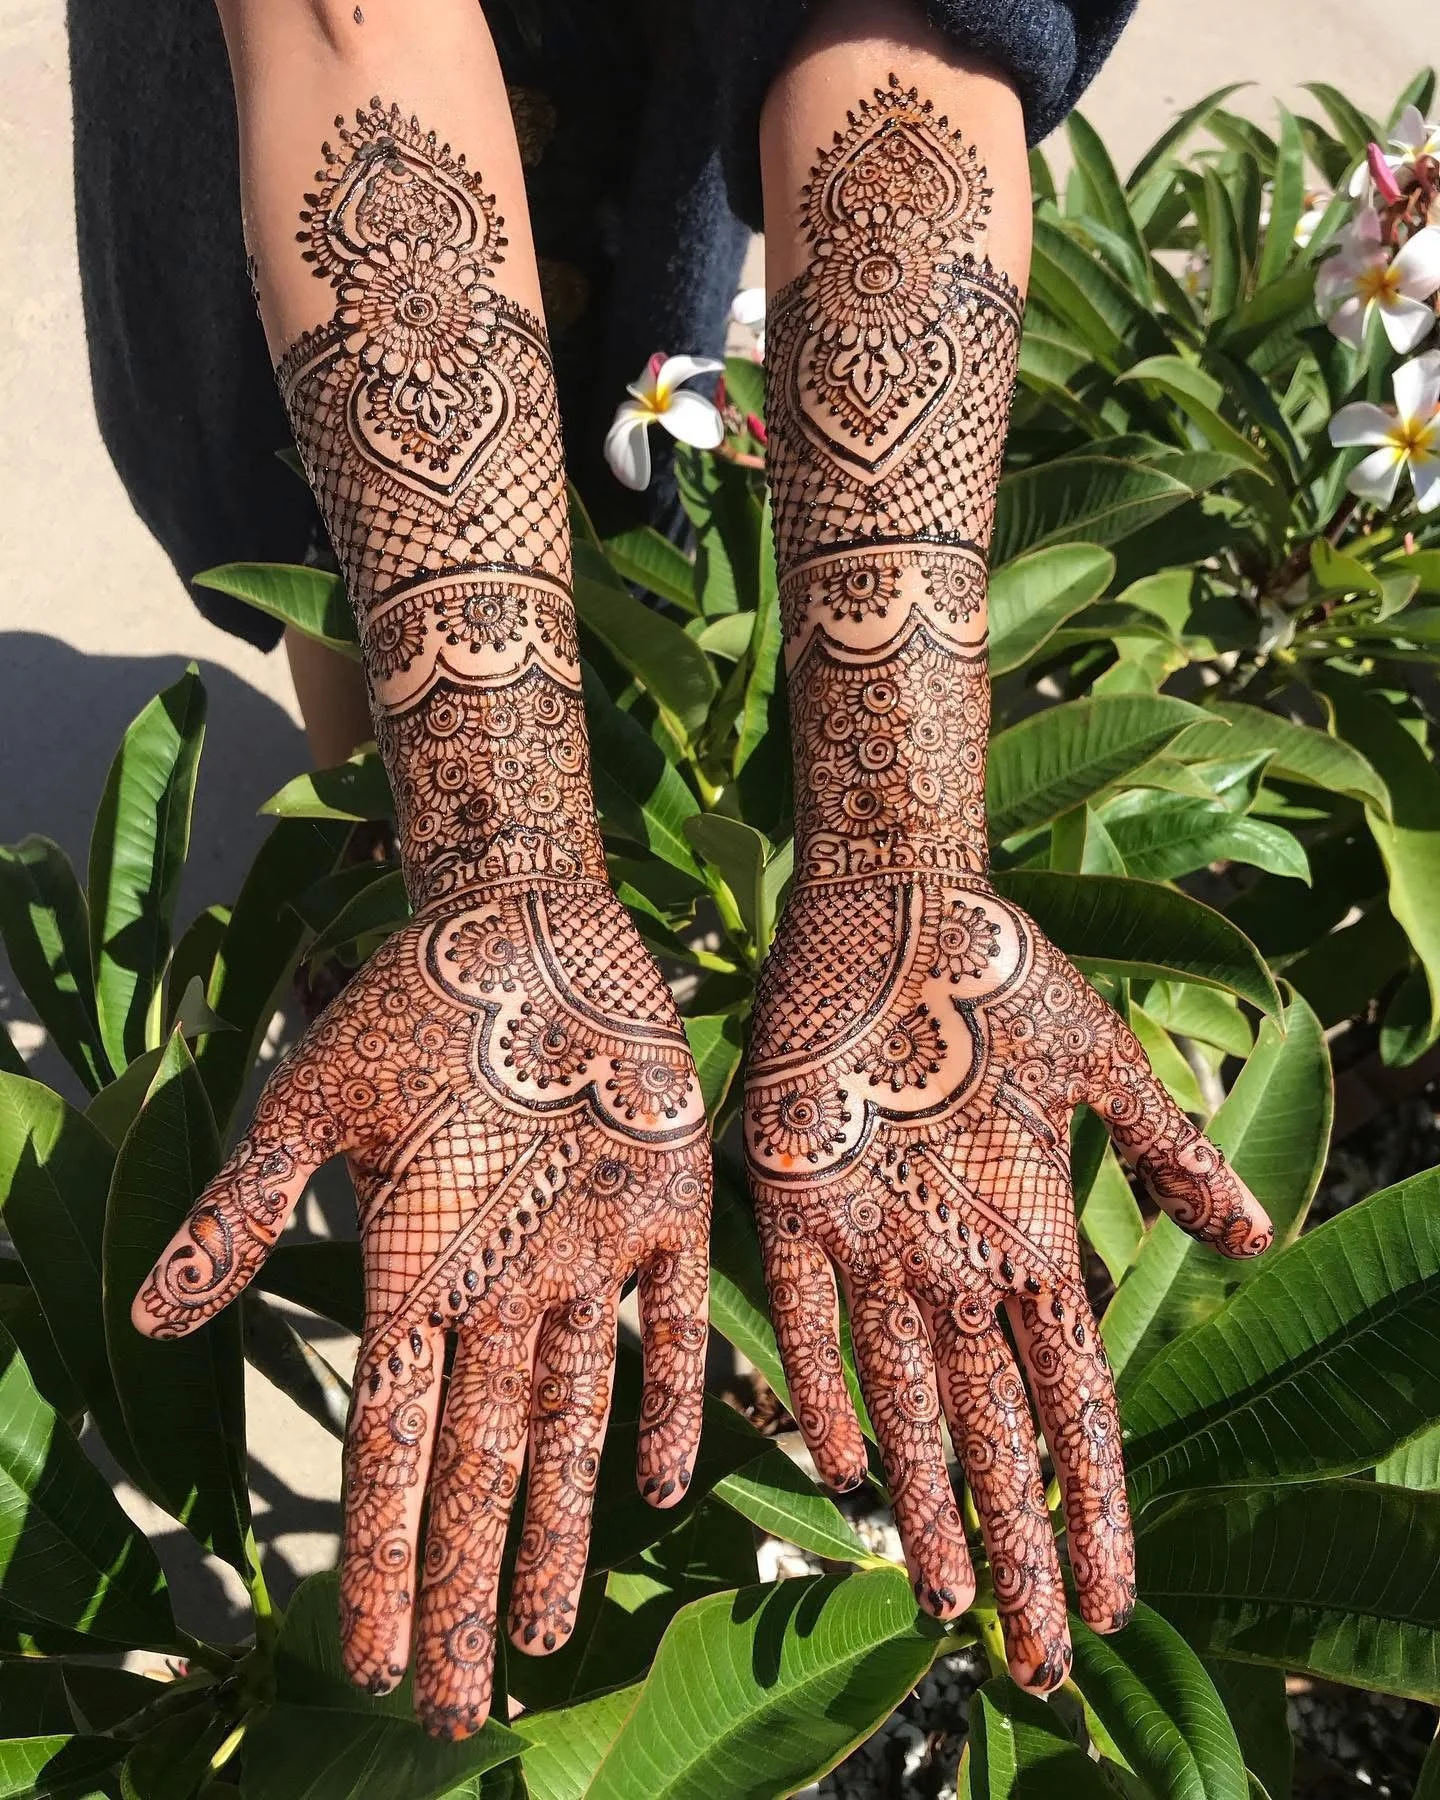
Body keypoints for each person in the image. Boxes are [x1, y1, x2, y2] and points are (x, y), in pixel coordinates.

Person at [116, 0, 1274, 1744]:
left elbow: (915, 27)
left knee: (614, 432)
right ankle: (390, 845)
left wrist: (898, 860)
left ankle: (424, 859)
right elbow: (352, 33)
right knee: (325, 549)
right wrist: (497, 876)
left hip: (634, 105)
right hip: (281, 132)